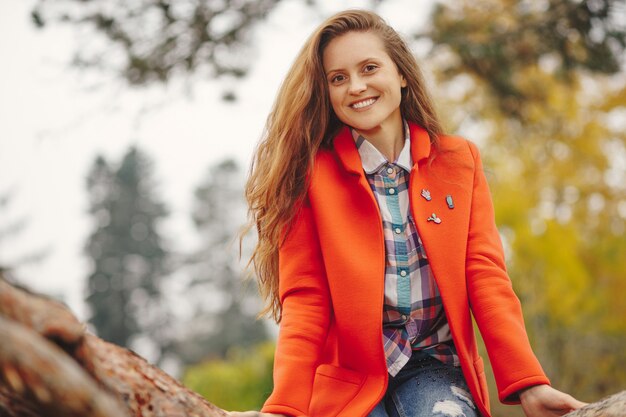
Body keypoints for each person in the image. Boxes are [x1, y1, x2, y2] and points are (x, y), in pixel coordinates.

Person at [231, 9, 586, 417]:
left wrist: (529, 384)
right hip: (349, 379)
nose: (357, 86)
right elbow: (305, 302)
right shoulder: (309, 178)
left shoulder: (459, 161)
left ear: (400, 73)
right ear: (326, 91)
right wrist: (283, 407)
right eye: (338, 78)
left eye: (369, 68)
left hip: (435, 368)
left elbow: (485, 276)